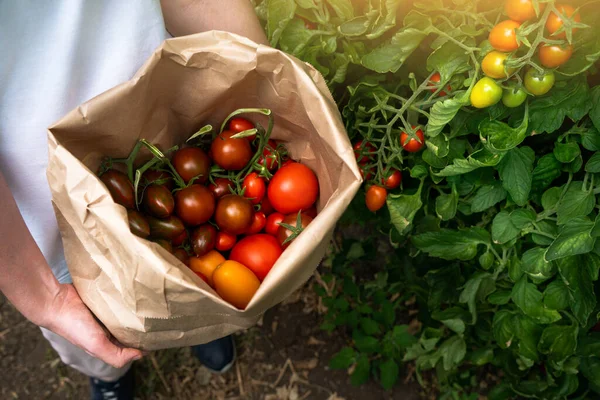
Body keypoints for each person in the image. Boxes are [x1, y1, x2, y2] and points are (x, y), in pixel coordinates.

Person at [0, 1, 268, 399]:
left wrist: (264, 82)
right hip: (46, 202)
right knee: (90, 329)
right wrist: (47, 298)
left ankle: (199, 322)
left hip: (164, 113)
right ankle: (108, 378)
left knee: (190, 272)